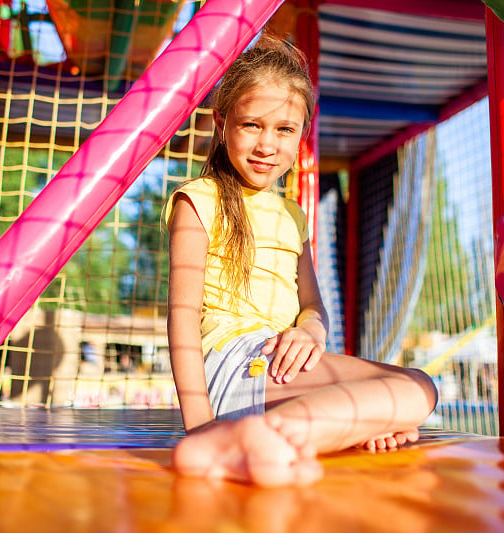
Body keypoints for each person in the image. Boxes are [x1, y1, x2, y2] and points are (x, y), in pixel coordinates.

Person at [163, 34, 437, 487]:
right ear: (222, 123)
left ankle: (285, 436)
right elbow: (182, 316)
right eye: (252, 125)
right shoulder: (199, 200)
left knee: (414, 387)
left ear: (302, 134)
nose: (267, 144)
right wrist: (200, 424)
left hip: (276, 361)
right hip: (237, 363)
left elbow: (313, 304)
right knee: (415, 391)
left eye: (284, 130)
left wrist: (310, 328)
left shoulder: (292, 215)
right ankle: (228, 443)